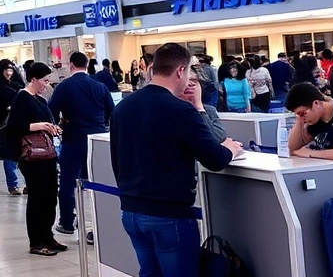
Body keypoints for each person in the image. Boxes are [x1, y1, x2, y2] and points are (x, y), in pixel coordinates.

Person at [111, 43, 241, 277]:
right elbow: (214, 159)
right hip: (168, 215)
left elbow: (116, 162)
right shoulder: (179, 110)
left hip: (131, 212)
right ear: (180, 70)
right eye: (190, 71)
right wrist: (230, 149)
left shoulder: (123, 107)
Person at [49, 51, 115, 236]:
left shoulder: (64, 87)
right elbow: (112, 110)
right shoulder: (99, 86)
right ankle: (98, 222)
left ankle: (67, 222)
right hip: (97, 140)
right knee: (98, 182)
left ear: (71, 65)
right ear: (87, 65)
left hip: (73, 139)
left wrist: (60, 126)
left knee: (68, 182)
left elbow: (51, 111)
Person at [6, 62, 63, 257]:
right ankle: (36, 241)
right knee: (38, 197)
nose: (46, 85)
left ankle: (48, 235)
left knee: (50, 196)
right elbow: (14, 126)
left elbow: (48, 122)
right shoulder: (22, 98)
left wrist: (53, 128)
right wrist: (39, 126)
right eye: (44, 80)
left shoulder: (41, 100)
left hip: (47, 154)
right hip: (31, 157)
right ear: (33, 79)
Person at [284, 82, 333, 160]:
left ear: (316, 103)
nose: (302, 118)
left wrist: (311, 153)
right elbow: (292, 150)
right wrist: (299, 120)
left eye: (302, 113)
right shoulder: (315, 119)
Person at [0, 60, 24, 195]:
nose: (9, 73)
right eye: (6, 70)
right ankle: (13, 184)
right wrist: (6, 109)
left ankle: (27, 183)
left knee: (24, 153)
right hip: (4, 124)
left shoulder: (18, 85)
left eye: (11, 70)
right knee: (9, 154)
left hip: (21, 122)